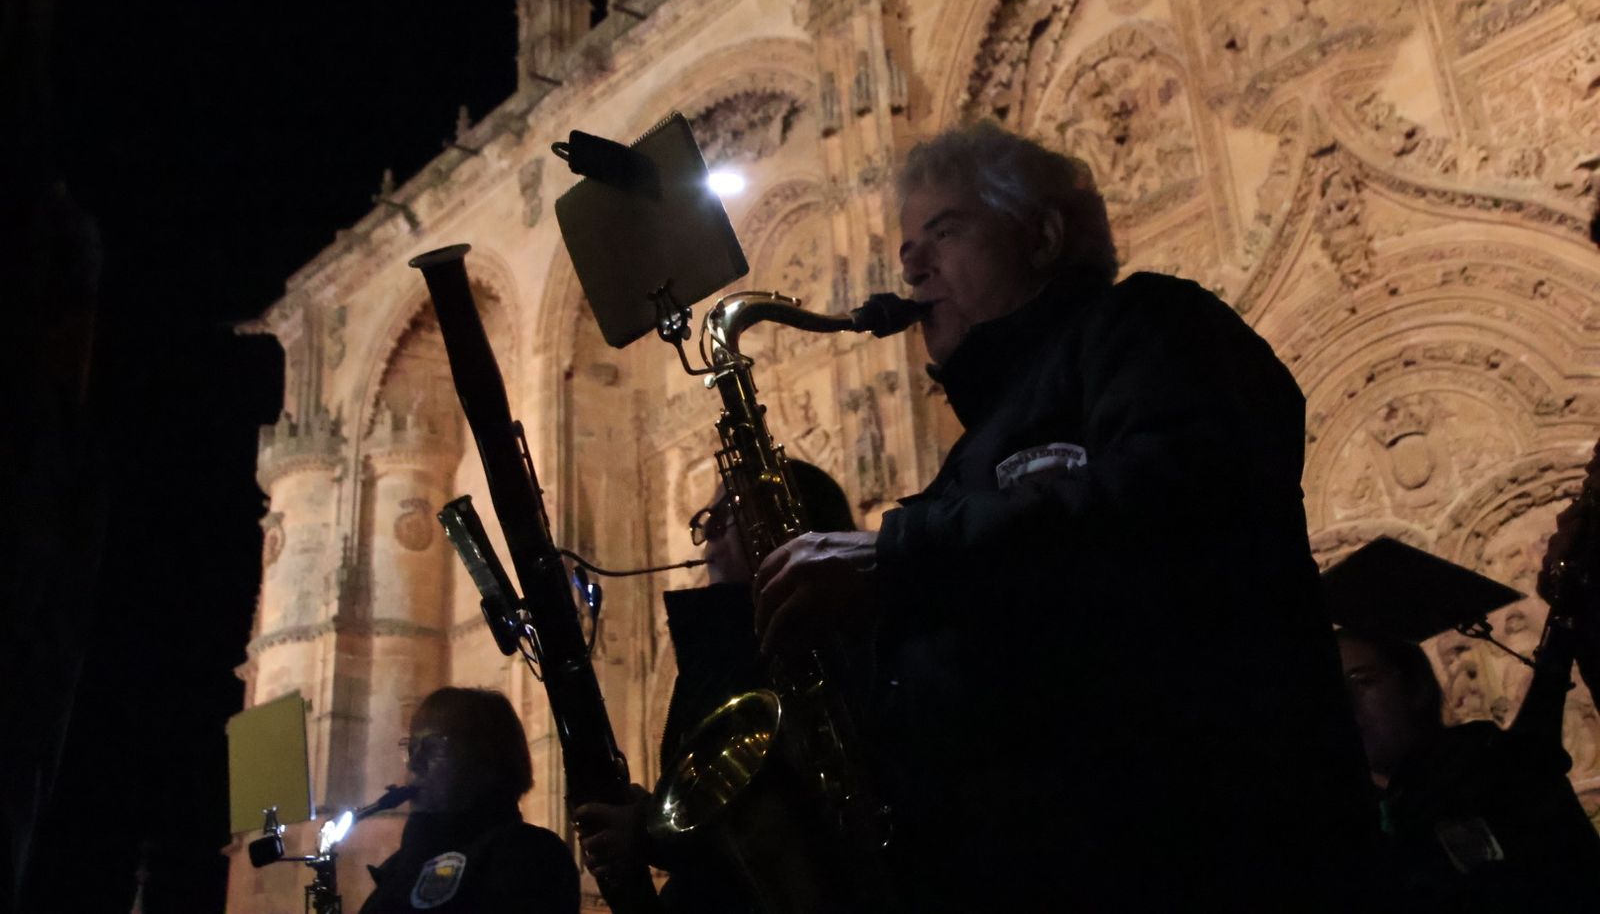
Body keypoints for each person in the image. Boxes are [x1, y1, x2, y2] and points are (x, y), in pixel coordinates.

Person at [751, 122, 1377, 910]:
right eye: (908, 243)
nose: (909, 265)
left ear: (1042, 235)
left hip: (1199, 854)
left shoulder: (1152, 323)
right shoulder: (971, 451)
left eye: (943, 231)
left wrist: (896, 555)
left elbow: (1173, 497)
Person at [573, 461, 857, 912]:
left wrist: (649, 832)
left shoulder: (819, 644)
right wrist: (658, 811)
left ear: (782, 518)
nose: (709, 537)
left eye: (728, 513)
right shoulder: (719, 644)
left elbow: (785, 809)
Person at [1337, 629, 1600, 910]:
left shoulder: (1502, 773)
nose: (1345, 703)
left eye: (1361, 681)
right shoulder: (1348, 825)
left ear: (1416, 686)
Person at [360, 687, 578, 914]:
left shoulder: (530, 855)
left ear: (488, 756)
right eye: (412, 748)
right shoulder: (400, 866)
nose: (414, 763)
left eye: (432, 747)